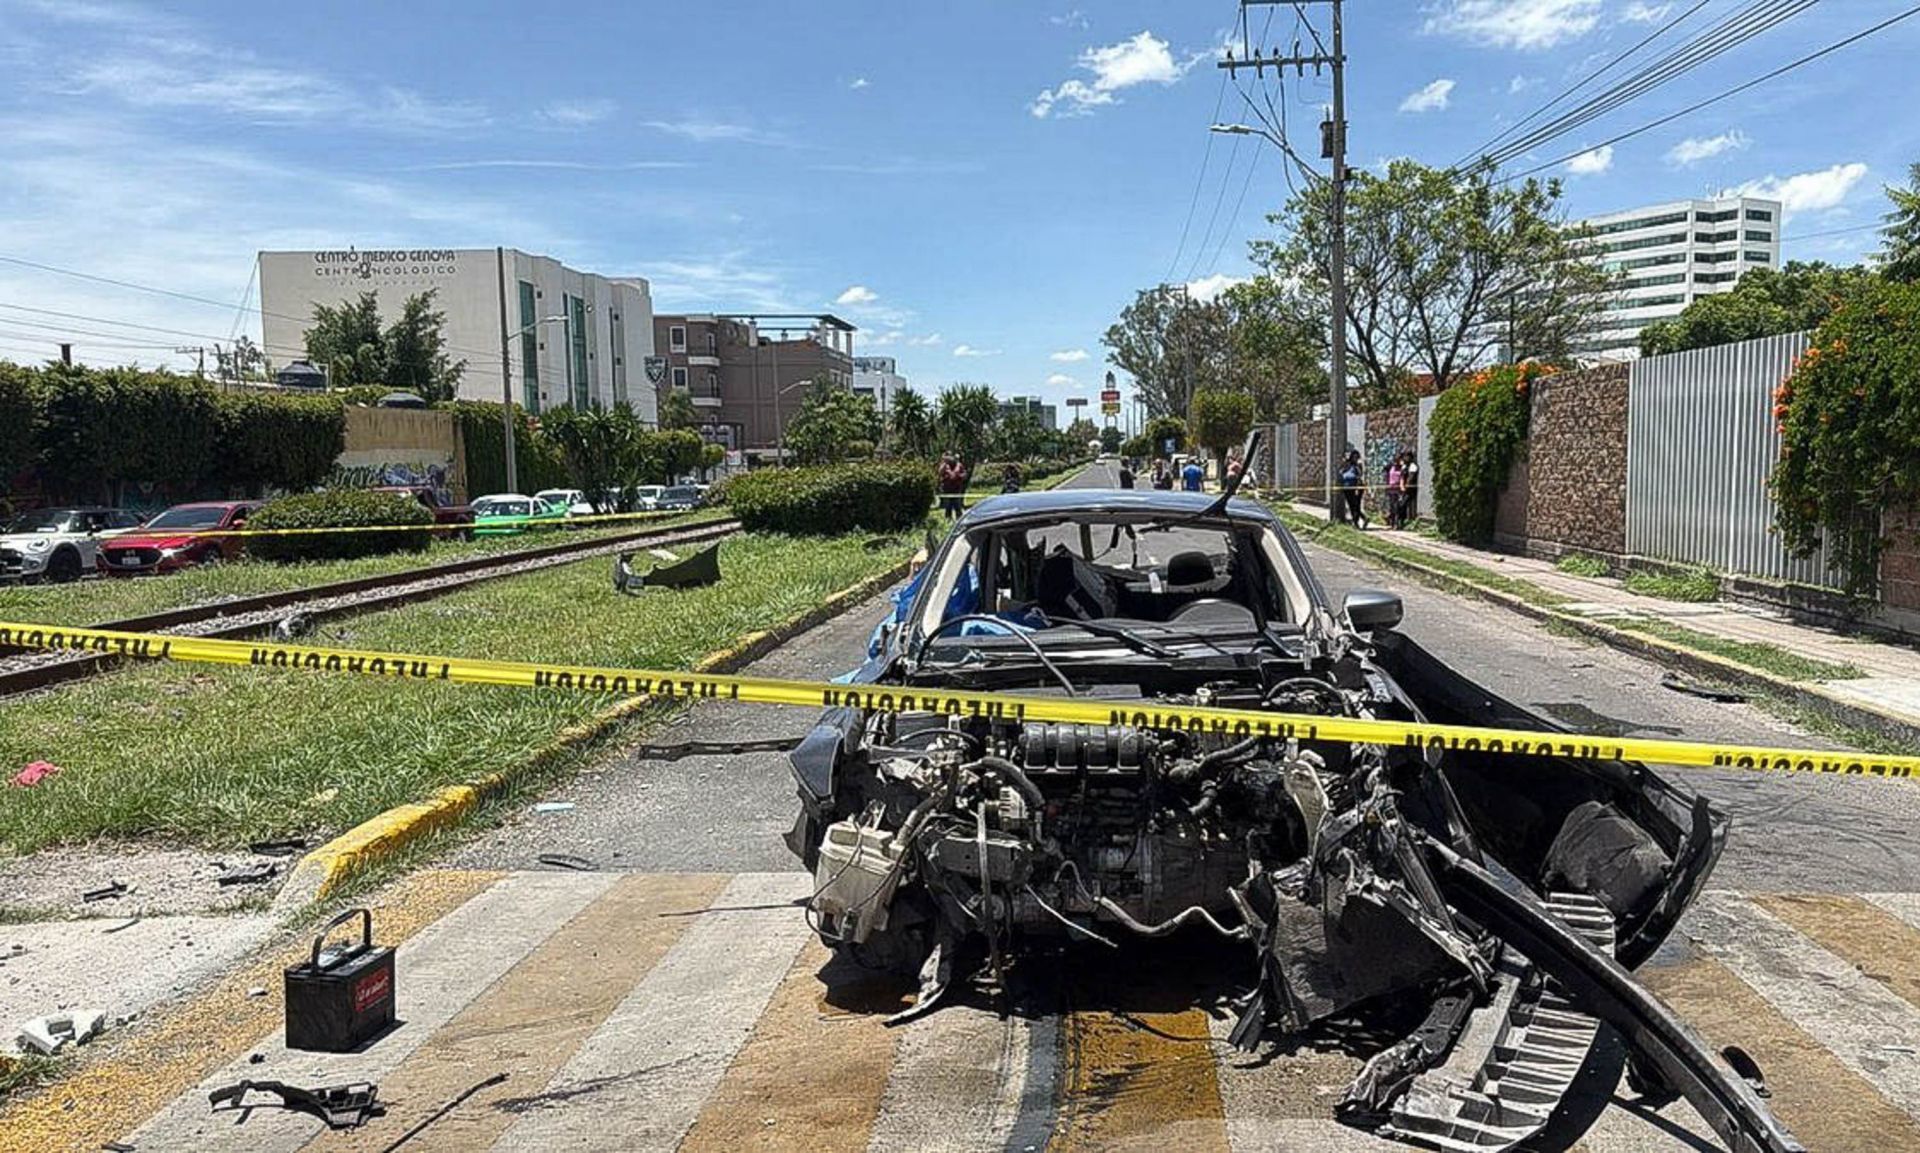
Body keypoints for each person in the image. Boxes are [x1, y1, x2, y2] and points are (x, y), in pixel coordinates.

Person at [1338, 448, 1368, 529]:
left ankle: (1356, 522)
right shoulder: (1347, 465)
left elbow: (1359, 476)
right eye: (1353, 457)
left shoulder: (1357, 466)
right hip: (1347, 487)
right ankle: (1362, 519)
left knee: (1356, 505)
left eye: (1356, 457)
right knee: (1352, 506)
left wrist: (1357, 488)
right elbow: (1341, 472)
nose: (1355, 458)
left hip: (1355, 488)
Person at [937, 452, 968, 520]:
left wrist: (959, 476)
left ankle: (960, 519)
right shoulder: (945, 466)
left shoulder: (959, 465)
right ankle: (948, 520)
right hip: (947, 489)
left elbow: (965, 475)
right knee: (948, 506)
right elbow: (939, 473)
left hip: (956, 489)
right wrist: (944, 465)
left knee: (957, 505)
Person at [1384, 452, 1406, 529]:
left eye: (1399, 459)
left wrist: (1402, 487)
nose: (1398, 461)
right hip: (1390, 489)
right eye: (1397, 459)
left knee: (1396, 507)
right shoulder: (1391, 467)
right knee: (1391, 507)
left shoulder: (1402, 468)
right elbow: (1386, 474)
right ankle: (1392, 523)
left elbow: (1402, 478)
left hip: (1397, 490)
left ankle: (1396, 524)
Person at [1400, 451, 1420, 528]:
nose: (1405, 458)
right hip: (1404, 489)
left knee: (1408, 505)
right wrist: (1402, 485)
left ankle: (1410, 521)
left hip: (1411, 489)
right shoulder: (1404, 466)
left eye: (1406, 456)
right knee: (1401, 505)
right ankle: (1401, 521)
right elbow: (1402, 477)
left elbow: (1411, 478)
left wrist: (1406, 487)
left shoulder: (1413, 466)